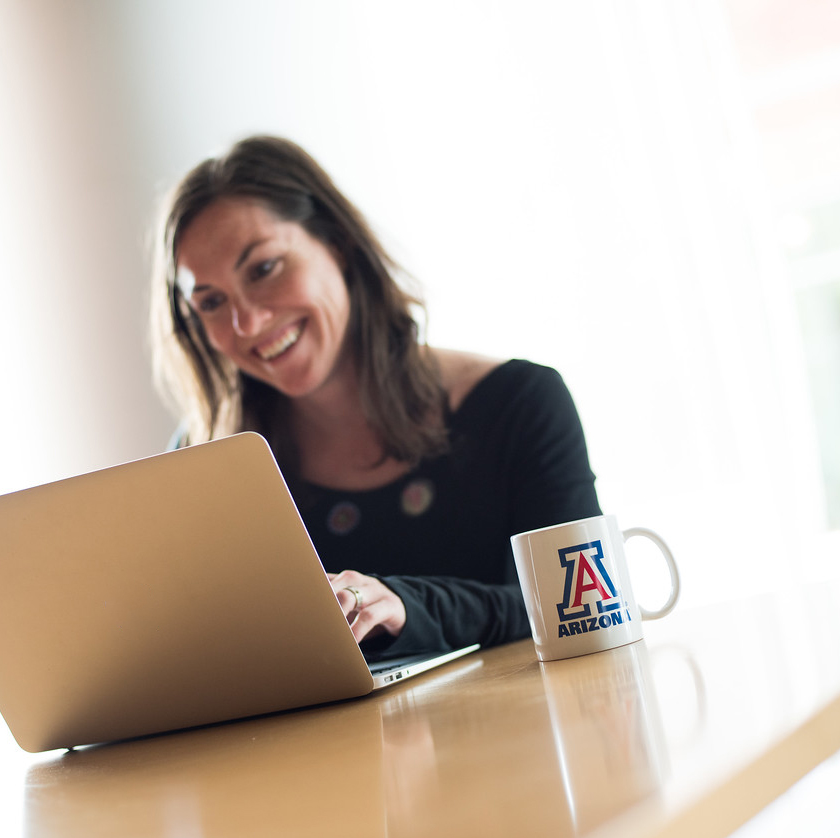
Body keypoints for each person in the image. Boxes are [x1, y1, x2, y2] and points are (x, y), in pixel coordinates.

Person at [149, 135, 601, 659]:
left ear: (337, 243)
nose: (247, 322)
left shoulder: (519, 404)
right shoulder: (205, 457)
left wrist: (406, 606)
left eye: (264, 268)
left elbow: (580, 604)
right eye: (210, 302)